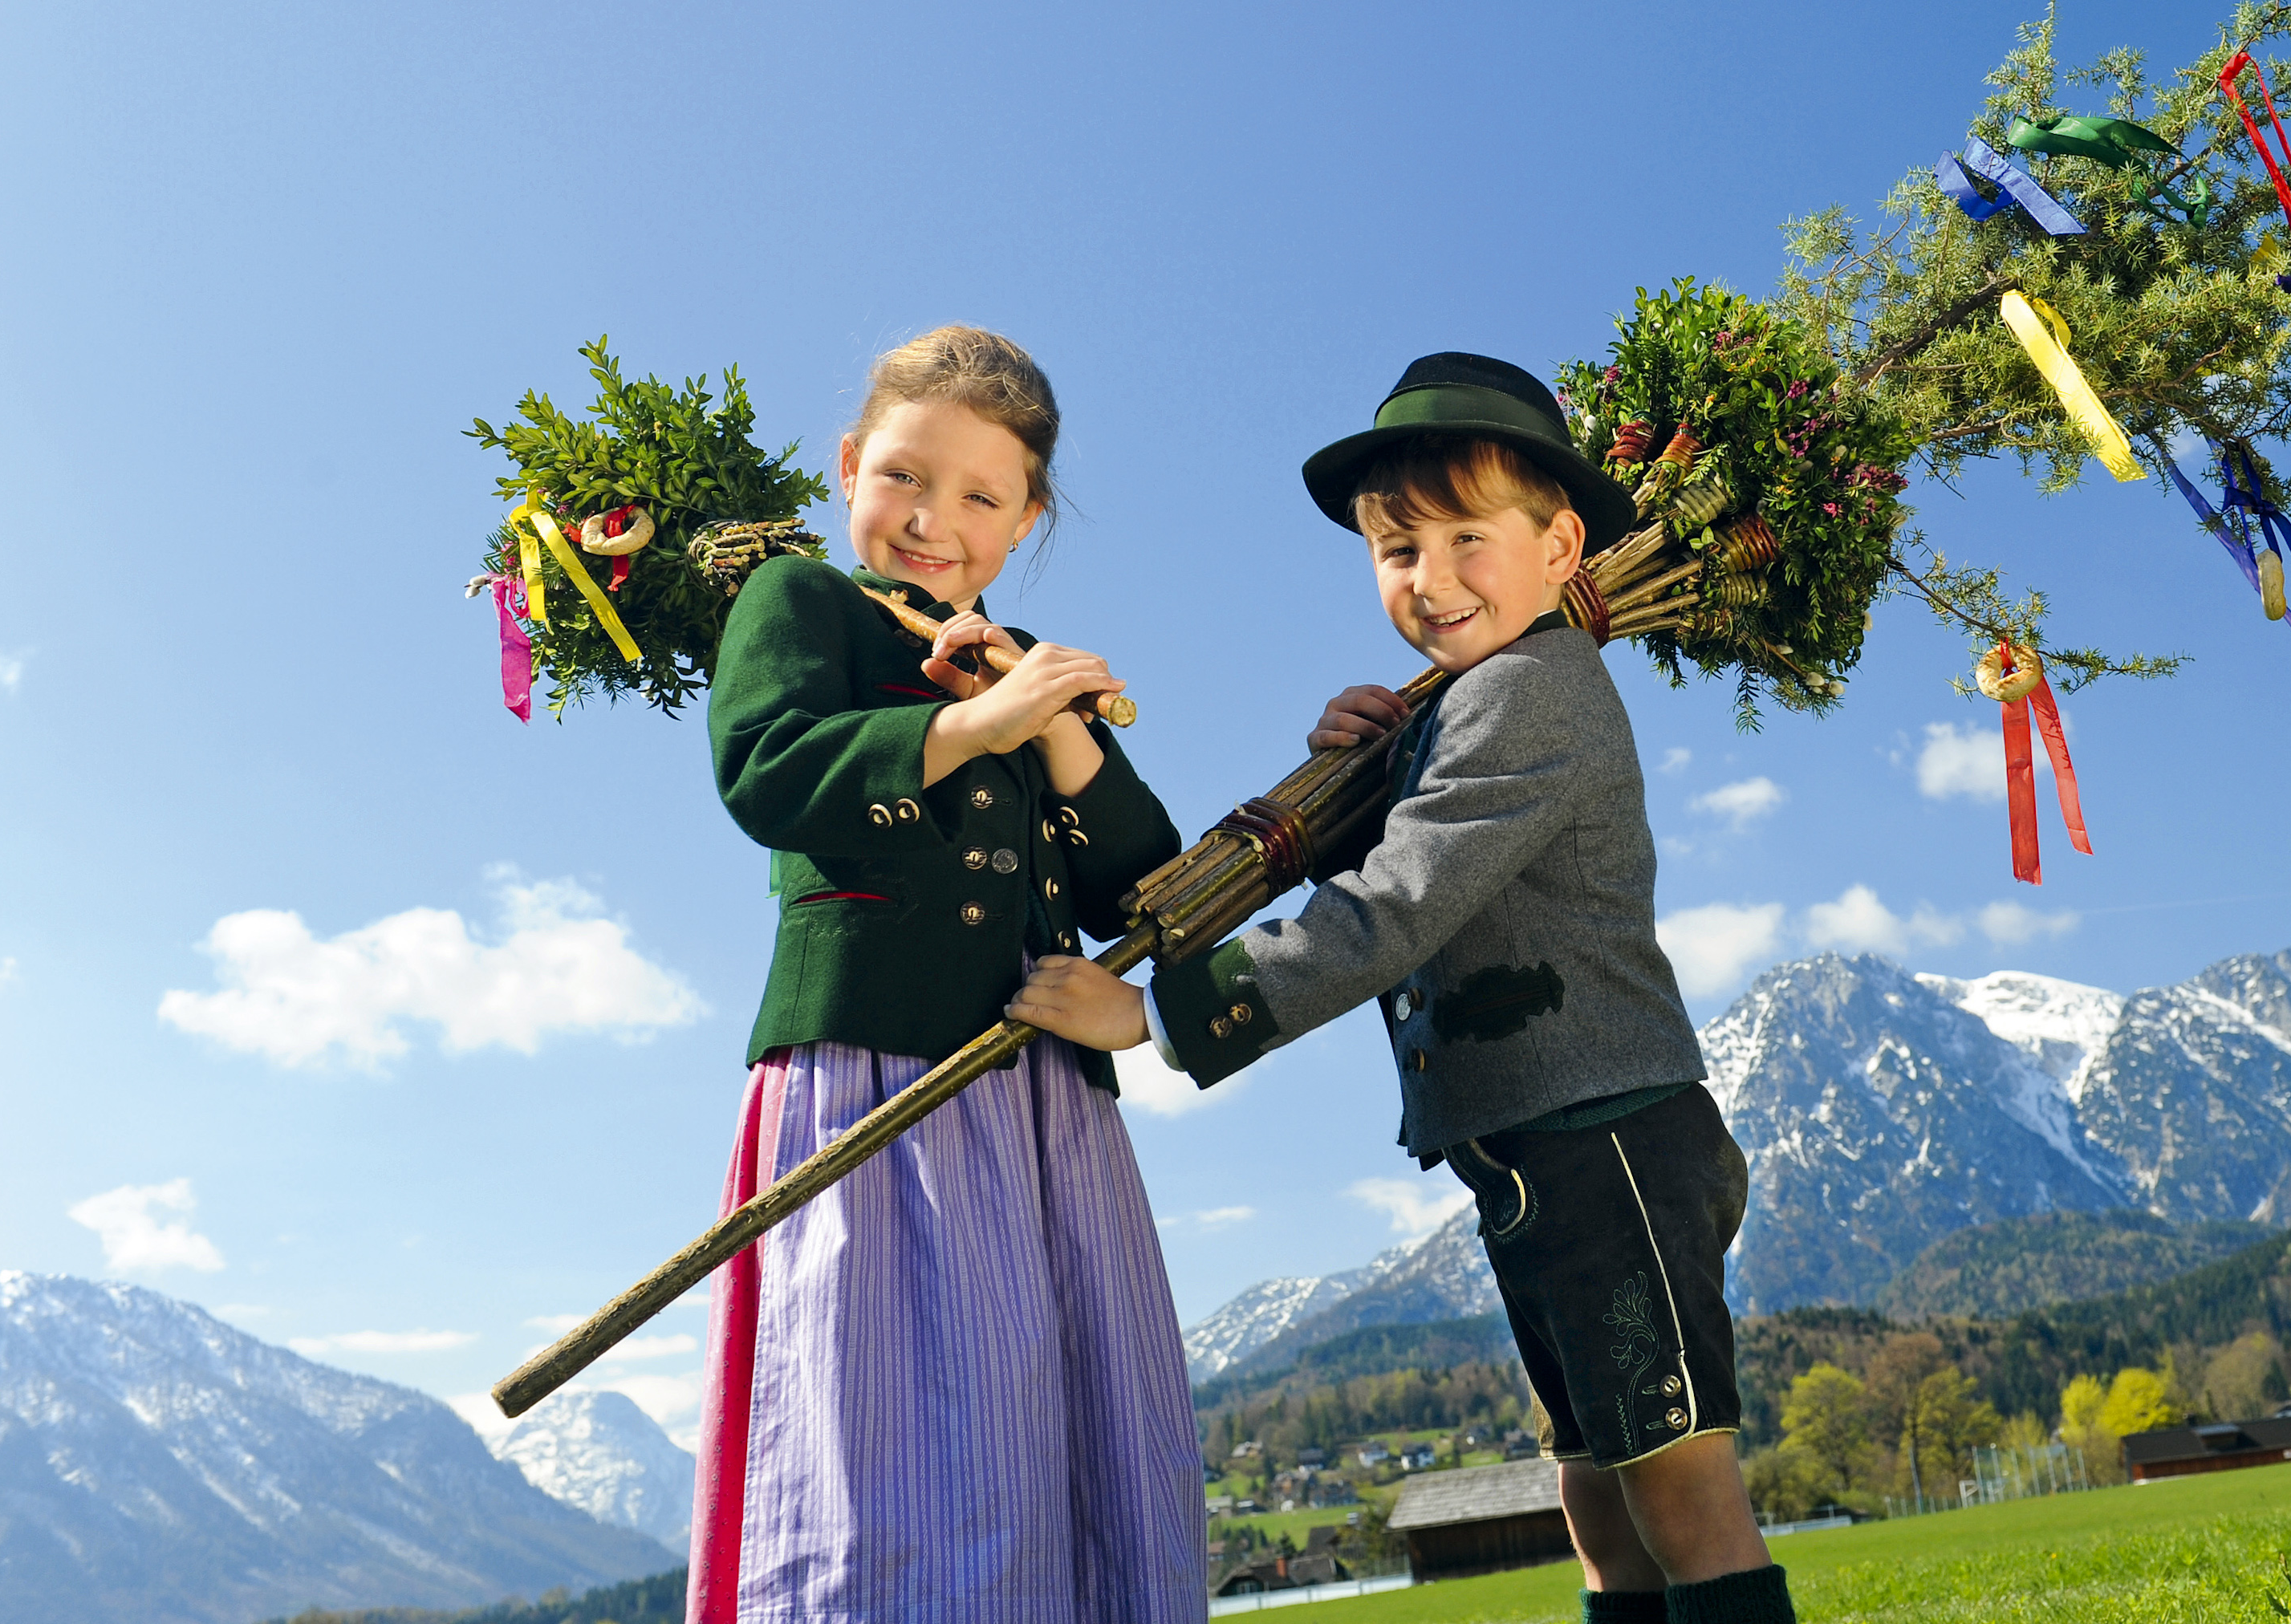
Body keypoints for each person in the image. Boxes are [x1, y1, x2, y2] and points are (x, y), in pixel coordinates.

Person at [1009, 353, 1793, 1624]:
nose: (1431, 579)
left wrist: (1161, 1012)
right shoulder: (1461, 709)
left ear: (1562, 545)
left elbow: (1401, 903)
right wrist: (1367, 766)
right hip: (1539, 1149)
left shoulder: (1535, 696)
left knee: (1679, 1484)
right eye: (1395, 549)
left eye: (1467, 538)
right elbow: (1415, 847)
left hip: (1611, 1142)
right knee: (1594, 1484)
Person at [691, 325, 1202, 1624]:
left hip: (1043, 1107)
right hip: (872, 1084)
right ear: (853, 464)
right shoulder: (798, 603)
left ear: (1026, 520)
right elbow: (770, 770)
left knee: (1057, 1422)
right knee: (890, 1443)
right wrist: (977, 723)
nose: (935, 521)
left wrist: (1064, 730)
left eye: (982, 497)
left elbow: (1137, 884)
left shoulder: (1019, 659)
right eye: (906, 478)